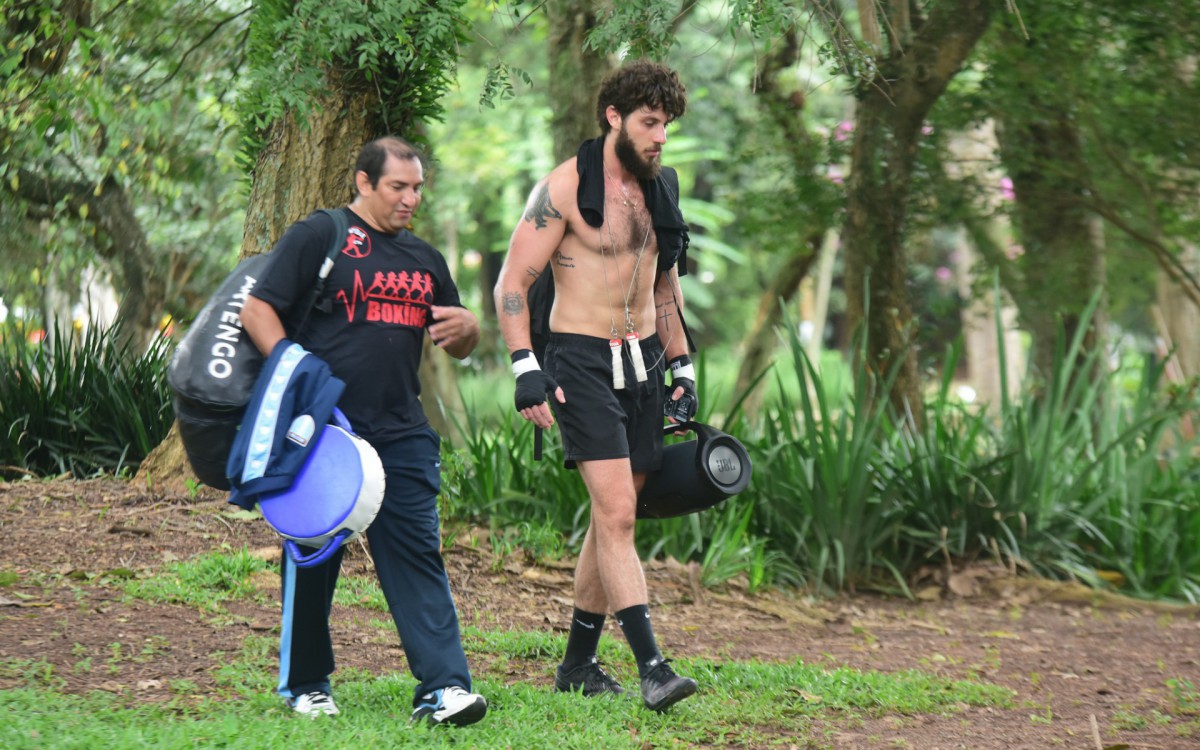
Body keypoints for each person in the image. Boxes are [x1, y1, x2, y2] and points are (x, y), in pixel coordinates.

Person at [240, 136, 487, 726]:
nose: (411, 198)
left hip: (401, 430)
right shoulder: (320, 237)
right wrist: (294, 367)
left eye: (418, 187)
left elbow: (457, 341)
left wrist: (472, 331)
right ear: (363, 182)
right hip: (325, 430)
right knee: (311, 555)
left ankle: (444, 689)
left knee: (416, 555)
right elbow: (258, 309)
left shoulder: (426, 260)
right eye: (398, 187)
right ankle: (306, 686)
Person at [493, 60, 699, 712]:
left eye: (665, 124)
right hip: (579, 364)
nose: (659, 136)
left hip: (642, 364)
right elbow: (512, 285)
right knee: (617, 514)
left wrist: (683, 368)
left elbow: (664, 289)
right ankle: (653, 668)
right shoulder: (562, 190)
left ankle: (577, 664)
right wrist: (527, 366)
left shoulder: (659, 191)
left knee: (611, 519)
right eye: (648, 122)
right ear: (614, 117)